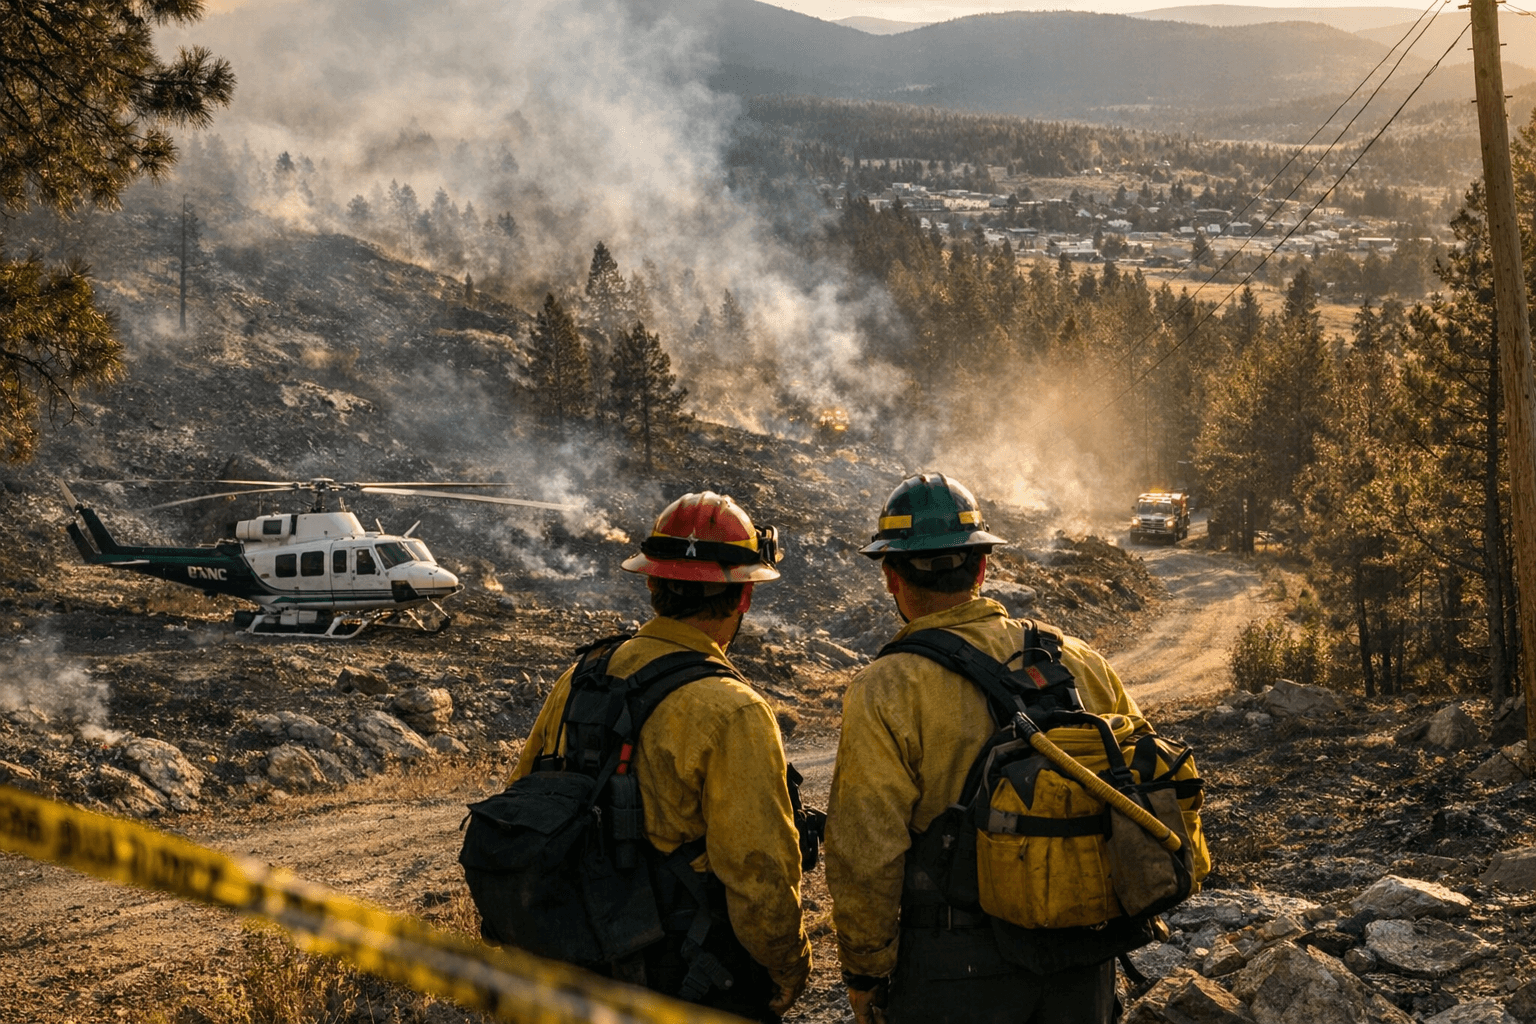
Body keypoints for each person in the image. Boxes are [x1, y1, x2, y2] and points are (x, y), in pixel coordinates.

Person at [826, 473, 1154, 1024]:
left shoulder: (886, 687)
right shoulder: (1080, 661)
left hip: (954, 968)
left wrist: (867, 969)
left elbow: (865, 850)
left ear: (890, 578)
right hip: (1082, 960)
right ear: (982, 567)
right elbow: (1141, 790)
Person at [510, 491, 812, 1022]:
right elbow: (759, 871)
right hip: (691, 983)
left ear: (652, 584)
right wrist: (786, 967)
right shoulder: (735, 710)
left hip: (576, 970)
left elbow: (524, 803)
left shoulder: (581, 679)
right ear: (742, 597)